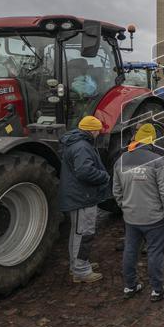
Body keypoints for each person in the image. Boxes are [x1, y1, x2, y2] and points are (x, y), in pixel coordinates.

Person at [113, 123, 164, 301]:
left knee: (130, 251)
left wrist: (125, 207)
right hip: (154, 218)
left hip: (131, 217)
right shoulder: (156, 160)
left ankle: (130, 286)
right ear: (152, 140)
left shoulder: (121, 160)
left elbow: (116, 191)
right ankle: (157, 290)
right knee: (155, 252)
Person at [59, 115, 111, 284]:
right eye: (97, 130)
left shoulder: (76, 142)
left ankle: (78, 264)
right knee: (84, 234)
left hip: (78, 195)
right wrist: (104, 176)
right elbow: (84, 171)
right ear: (92, 130)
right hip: (83, 197)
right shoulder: (82, 146)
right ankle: (81, 270)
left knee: (77, 233)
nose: (99, 133)